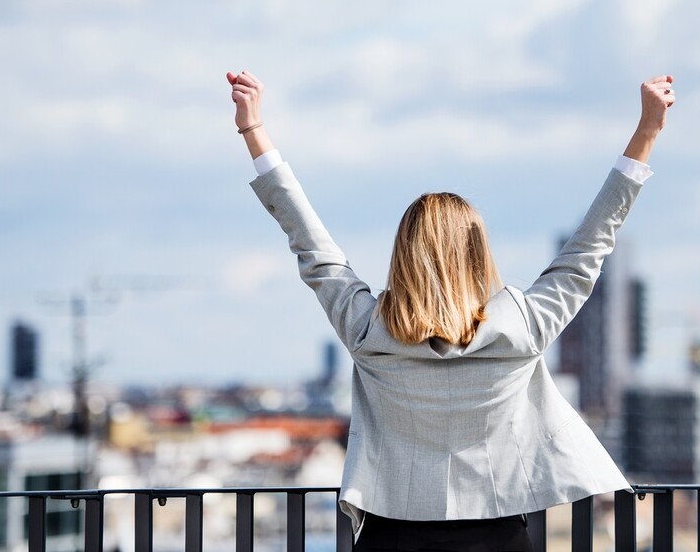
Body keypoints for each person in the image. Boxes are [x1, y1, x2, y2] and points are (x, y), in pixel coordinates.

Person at [227, 70, 675, 552]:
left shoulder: (369, 331)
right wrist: (647, 130)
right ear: (479, 254)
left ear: (404, 254)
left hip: (391, 539)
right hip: (500, 540)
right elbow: (590, 245)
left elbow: (311, 244)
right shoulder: (522, 326)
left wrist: (254, 130)